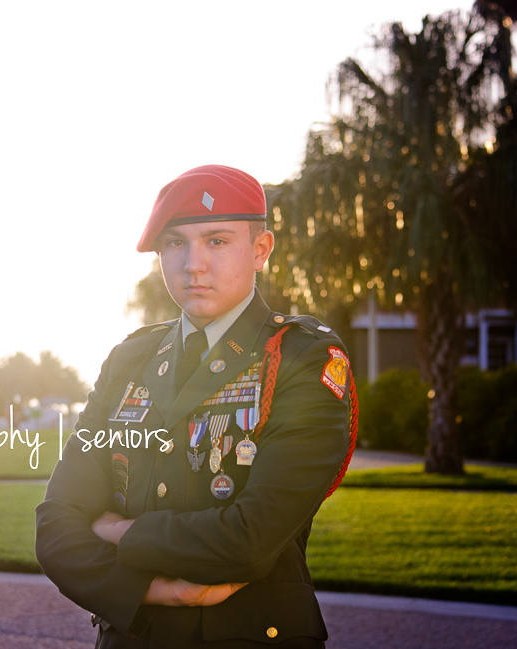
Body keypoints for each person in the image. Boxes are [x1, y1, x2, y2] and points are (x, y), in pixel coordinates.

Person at [35, 165, 356, 648]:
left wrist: (121, 530)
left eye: (217, 241)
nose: (193, 264)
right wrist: (159, 592)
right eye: (174, 243)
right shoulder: (130, 360)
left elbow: (249, 541)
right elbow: (58, 527)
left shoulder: (302, 358)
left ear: (261, 250)